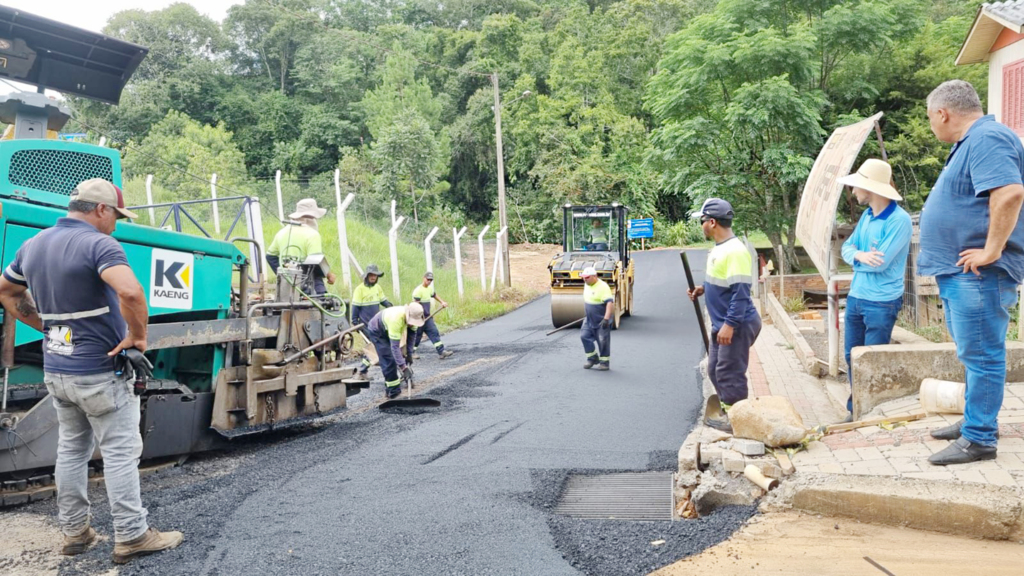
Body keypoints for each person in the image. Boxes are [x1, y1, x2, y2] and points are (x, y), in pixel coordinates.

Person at [0, 179, 183, 563]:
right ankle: (132, 535)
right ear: (100, 209)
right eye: (115, 215)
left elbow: (6, 291)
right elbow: (131, 292)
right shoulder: (99, 244)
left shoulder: (33, 245)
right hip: (100, 371)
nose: (116, 224)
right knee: (119, 452)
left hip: (58, 370)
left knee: (71, 450)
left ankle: (75, 533)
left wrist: (49, 325)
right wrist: (137, 337)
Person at [918, 80, 1024, 466]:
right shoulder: (974, 141)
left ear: (942, 113)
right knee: (973, 353)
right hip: (962, 271)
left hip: (979, 273)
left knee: (982, 355)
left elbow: (1010, 193)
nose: (932, 126)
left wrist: (992, 249)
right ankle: (974, 423)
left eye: (931, 119)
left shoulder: (987, 137)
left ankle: (979, 439)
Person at [838, 159, 913, 421]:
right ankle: (855, 408)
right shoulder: (867, 216)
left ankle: (868, 411)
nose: (854, 191)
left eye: (858, 186)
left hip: (881, 302)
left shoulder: (899, 220)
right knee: (851, 356)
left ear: (872, 189)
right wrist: (860, 255)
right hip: (857, 297)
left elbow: (880, 263)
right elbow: (846, 248)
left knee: (871, 358)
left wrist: (857, 258)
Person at [687, 198, 761, 432]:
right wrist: (703, 288)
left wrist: (730, 325)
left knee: (730, 373)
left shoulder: (735, 251)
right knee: (715, 369)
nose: (701, 226)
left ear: (712, 222)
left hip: (736, 324)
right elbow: (724, 282)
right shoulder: (720, 249)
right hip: (723, 323)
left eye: (702, 221)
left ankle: (738, 421)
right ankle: (729, 411)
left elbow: (740, 293)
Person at [266, 198, 336, 294]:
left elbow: (270, 256)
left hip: (287, 285)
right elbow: (316, 263)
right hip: (308, 285)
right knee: (326, 303)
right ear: (311, 217)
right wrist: (329, 275)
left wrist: (283, 273)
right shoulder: (312, 234)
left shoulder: (281, 233)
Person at [364, 302, 426, 399]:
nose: (411, 324)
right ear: (407, 315)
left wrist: (409, 355)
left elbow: (411, 337)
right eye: (411, 321)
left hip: (387, 327)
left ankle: (389, 390)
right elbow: (395, 348)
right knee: (388, 360)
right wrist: (403, 368)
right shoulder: (396, 320)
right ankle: (394, 392)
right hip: (377, 330)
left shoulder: (415, 317)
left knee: (398, 356)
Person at [349, 264, 392, 381]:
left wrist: (390, 306)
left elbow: (384, 301)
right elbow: (355, 307)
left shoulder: (377, 288)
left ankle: (363, 371)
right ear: (367, 276)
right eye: (371, 275)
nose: (373, 277)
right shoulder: (359, 289)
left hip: (378, 324)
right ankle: (362, 371)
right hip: (365, 325)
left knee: (373, 347)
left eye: (375, 275)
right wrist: (354, 321)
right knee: (374, 347)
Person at [411, 272, 454, 360]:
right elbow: (416, 306)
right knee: (417, 336)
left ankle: (441, 352)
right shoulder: (418, 290)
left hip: (428, 317)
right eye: (428, 279)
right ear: (424, 278)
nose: (429, 281)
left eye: (431, 280)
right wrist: (420, 318)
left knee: (434, 332)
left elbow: (434, 295)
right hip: (419, 318)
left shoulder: (429, 289)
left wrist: (442, 302)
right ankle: (411, 352)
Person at [580, 267, 614, 371]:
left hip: (601, 320)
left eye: (587, 277)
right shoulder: (587, 284)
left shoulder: (603, 287)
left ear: (595, 276)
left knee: (602, 340)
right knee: (584, 336)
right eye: (583, 278)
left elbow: (609, 303)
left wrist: (606, 319)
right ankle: (592, 358)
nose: (585, 280)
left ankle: (604, 363)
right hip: (589, 318)